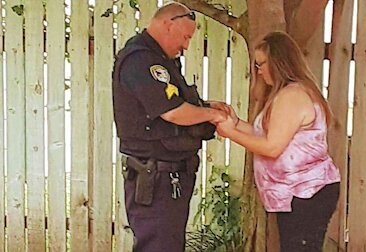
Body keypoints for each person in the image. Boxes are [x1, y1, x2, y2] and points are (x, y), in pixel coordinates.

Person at [112, 3, 228, 251]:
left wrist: (206, 105)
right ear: (168, 24)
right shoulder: (141, 60)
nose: (186, 45)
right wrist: (213, 115)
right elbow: (172, 112)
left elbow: (173, 102)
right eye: (186, 36)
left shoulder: (160, 60)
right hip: (156, 178)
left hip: (169, 178)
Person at [216, 31, 341, 252]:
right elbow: (264, 135)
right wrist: (234, 123)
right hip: (297, 192)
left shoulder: (292, 96)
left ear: (278, 62)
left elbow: (272, 147)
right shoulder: (287, 93)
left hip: (306, 192)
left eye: (262, 64)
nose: (259, 70)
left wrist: (231, 134)